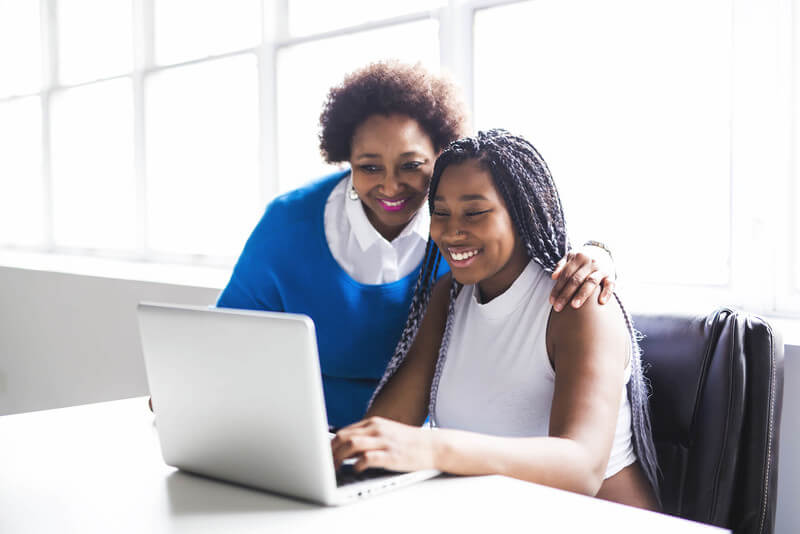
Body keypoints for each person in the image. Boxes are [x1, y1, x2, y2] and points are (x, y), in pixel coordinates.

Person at [215, 61, 619, 429]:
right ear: (347, 161)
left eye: (412, 166)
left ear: (441, 156)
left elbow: (538, 228)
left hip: (418, 445)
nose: (391, 186)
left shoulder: (459, 229)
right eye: (369, 167)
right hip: (301, 432)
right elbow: (225, 337)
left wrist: (600, 252)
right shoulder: (289, 223)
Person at [330, 130, 661, 510]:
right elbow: (391, 425)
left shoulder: (579, 304)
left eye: (474, 212)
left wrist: (435, 447)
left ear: (524, 215)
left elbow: (581, 468)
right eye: (439, 212)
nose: (452, 231)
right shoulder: (448, 298)